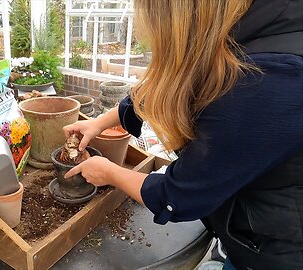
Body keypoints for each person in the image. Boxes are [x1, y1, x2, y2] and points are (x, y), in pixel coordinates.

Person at [64, 0, 303, 269]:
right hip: (247, 223)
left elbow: (178, 197)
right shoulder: (250, 29)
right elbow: (172, 83)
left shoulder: (267, 78)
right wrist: (99, 122)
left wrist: (109, 173)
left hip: (275, 252)